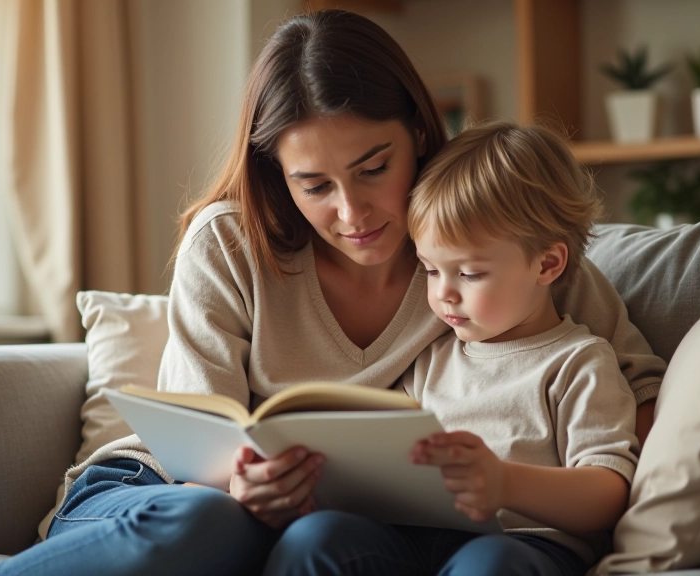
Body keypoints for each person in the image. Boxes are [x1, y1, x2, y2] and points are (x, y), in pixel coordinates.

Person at [0, 10, 664, 576]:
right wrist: (240, 486)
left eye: (373, 167)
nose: (353, 214)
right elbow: (193, 452)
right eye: (315, 186)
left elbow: (636, 390)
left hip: (345, 527)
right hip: (161, 494)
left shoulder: (479, 243)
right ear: (278, 176)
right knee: (216, 519)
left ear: (419, 134)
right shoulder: (231, 243)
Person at [263, 121, 638, 576]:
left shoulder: (579, 363)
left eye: (470, 273)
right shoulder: (429, 359)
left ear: (548, 263)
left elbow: (608, 494)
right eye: (430, 270)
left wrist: (505, 484)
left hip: (522, 546)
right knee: (316, 539)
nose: (444, 294)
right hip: (413, 538)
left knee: (490, 565)